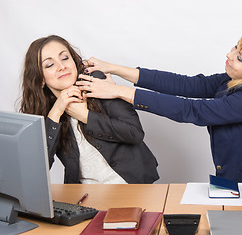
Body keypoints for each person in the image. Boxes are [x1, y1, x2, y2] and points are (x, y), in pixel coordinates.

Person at [77, 30, 242, 185]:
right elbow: (186, 84)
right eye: (235, 47)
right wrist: (113, 68)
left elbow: (193, 110)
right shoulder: (230, 82)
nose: (229, 55)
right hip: (236, 187)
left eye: (239, 58)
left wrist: (117, 91)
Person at [20, 35, 159, 184]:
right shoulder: (45, 112)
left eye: (65, 58)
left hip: (133, 186)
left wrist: (85, 116)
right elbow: (37, 170)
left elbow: (134, 132)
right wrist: (55, 113)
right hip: (84, 197)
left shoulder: (97, 81)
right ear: (40, 79)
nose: (62, 66)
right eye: (49, 65)